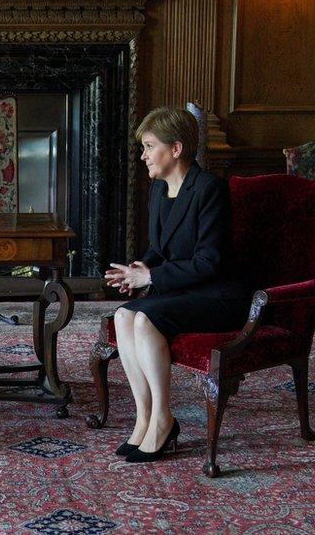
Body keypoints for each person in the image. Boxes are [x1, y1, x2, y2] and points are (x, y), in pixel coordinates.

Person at [104, 107, 249, 463]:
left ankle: (164, 419)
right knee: (123, 315)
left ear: (177, 149)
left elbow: (209, 262)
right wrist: (139, 269)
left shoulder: (209, 189)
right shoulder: (158, 190)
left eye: (150, 146)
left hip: (218, 295)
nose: (143, 155)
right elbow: (159, 248)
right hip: (183, 290)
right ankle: (145, 418)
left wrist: (150, 278)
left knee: (143, 320)